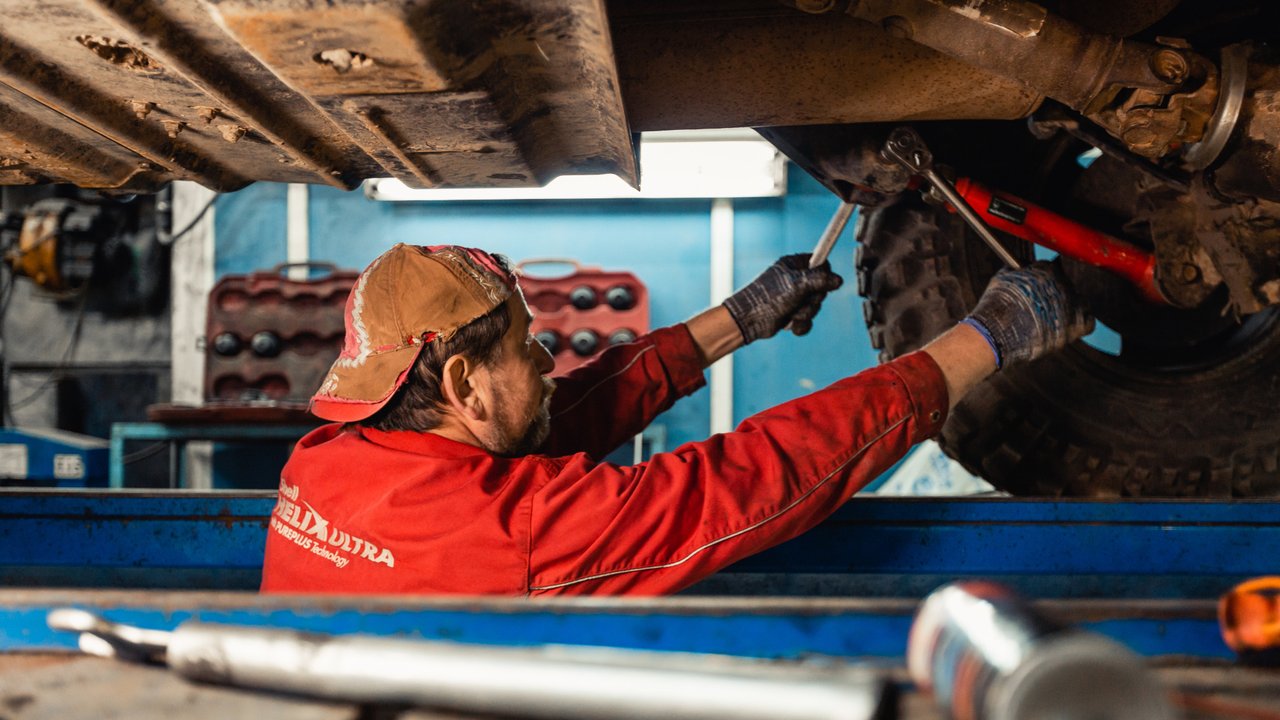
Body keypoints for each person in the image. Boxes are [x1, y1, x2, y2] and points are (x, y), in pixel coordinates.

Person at [261, 243, 1090, 595]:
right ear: (463, 381)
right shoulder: (512, 535)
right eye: (527, 347)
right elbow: (747, 481)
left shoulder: (327, 458)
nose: (548, 362)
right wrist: (980, 344)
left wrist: (739, 317)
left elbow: (561, 418)